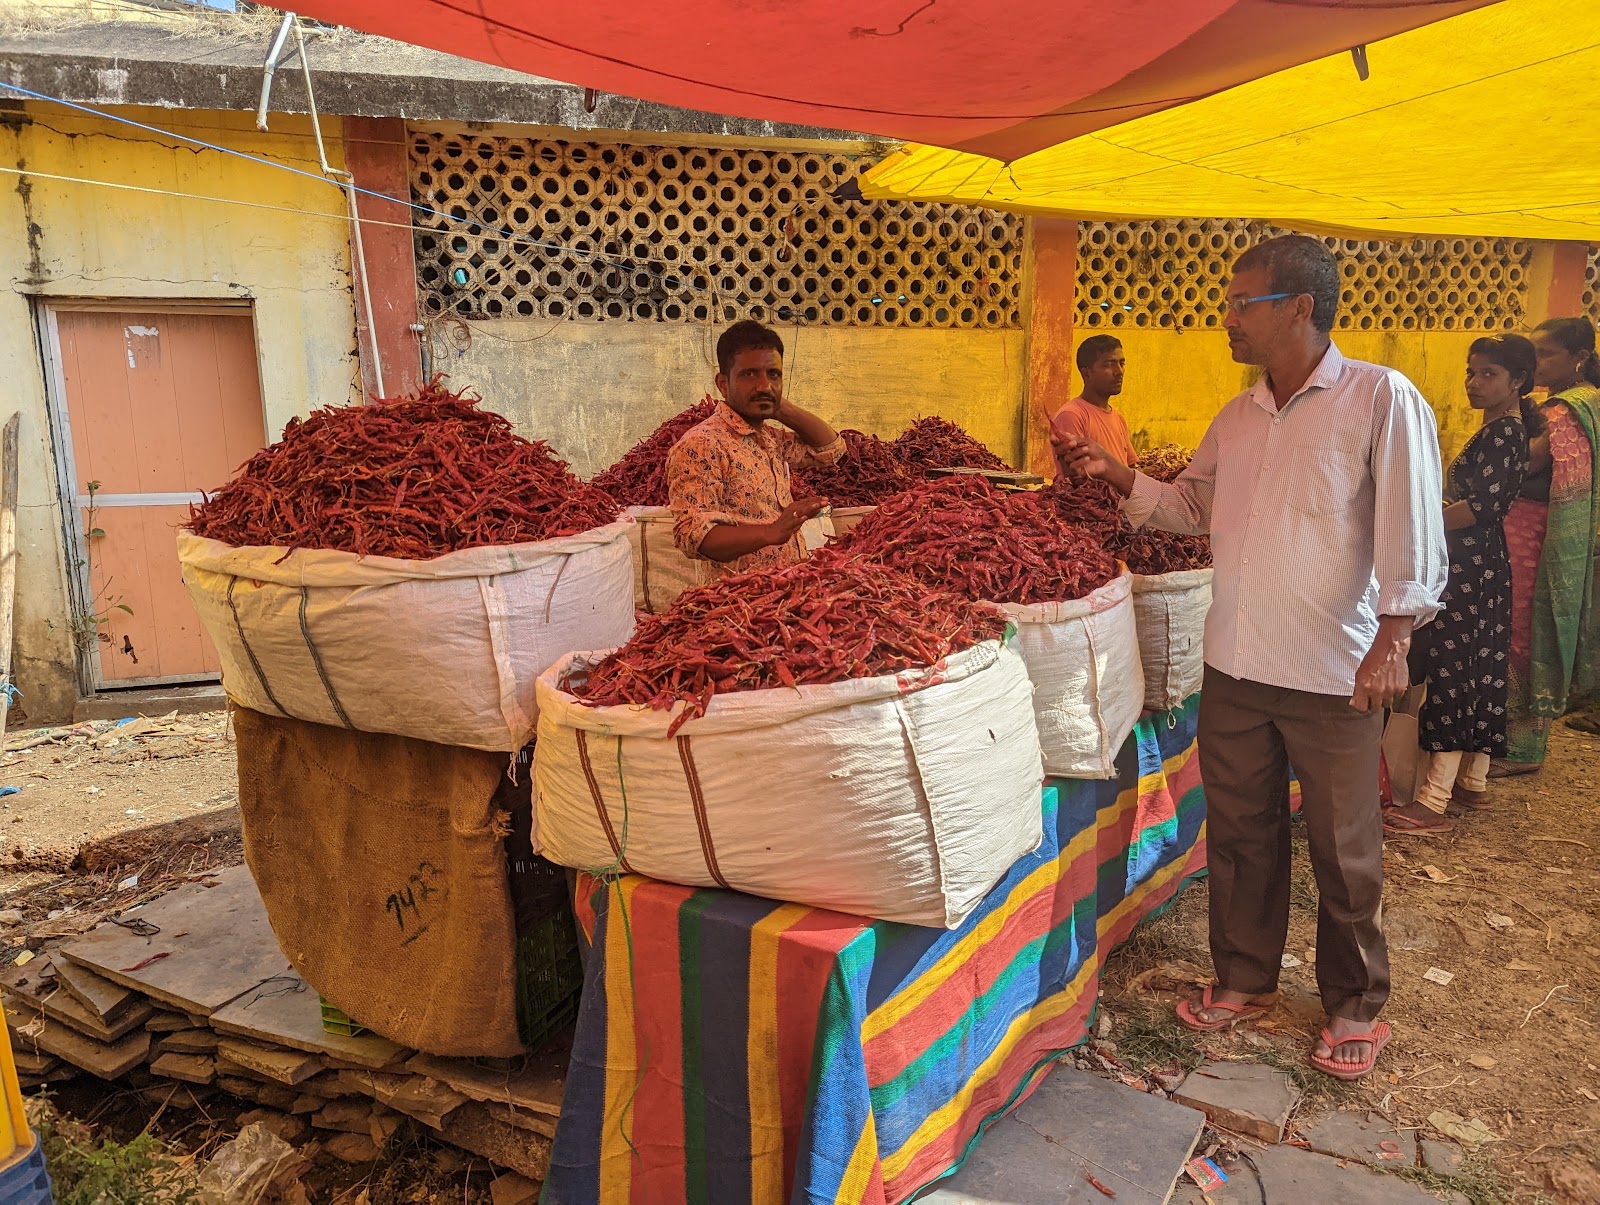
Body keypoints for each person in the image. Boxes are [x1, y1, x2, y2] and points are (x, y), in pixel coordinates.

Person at [1056, 235, 1447, 1082]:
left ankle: (1354, 1003)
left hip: (1333, 669)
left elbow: (1412, 523)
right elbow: (1192, 507)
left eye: (1243, 303)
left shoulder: (1380, 397)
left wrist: (1395, 636)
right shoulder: (1237, 416)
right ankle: (1245, 978)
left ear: (1300, 307)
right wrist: (1115, 474)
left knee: (1345, 847)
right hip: (1235, 663)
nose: (1226, 318)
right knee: (1239, 832)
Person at [1383, 336, 1536, 835]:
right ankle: (1472, 781)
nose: (1474, 382)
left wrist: (1417, 524)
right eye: (1471, 372)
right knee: (1477, 664)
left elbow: (1478, 508)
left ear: (1518, 381)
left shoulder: (1504, 433)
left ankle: (1433, 800)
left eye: (1488, 374)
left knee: (1453, 670)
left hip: (1471, 566)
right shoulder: (1502, 429)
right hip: (1481, 563)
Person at [1494, 317, 1600, 772]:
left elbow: (1521, 464)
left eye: (1547, 354)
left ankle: (1521, 747)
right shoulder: (1586, 401)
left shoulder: (1563, 411)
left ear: (1579, 358)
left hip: (1530, 536)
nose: (1537, 363)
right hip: (1531, 532)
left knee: (1519, 630)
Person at [666, 320, 844, 576]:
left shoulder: (769, 438)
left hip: (786, 591)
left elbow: (831, 449)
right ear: (723, 384)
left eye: (774, 374)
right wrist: (771, 532)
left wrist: (775, 404)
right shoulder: (703, 444)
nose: (764, 384)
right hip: (739, 597)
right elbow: (693, 535)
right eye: (749, 374)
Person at [1051, 334, 1139, 469]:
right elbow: (1078, 475)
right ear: (1087, 373)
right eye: (1109, 365)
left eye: (1121, 364)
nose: (1119, 371)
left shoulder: (1118, 418)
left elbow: (1130, 469)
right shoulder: (1072, 416)